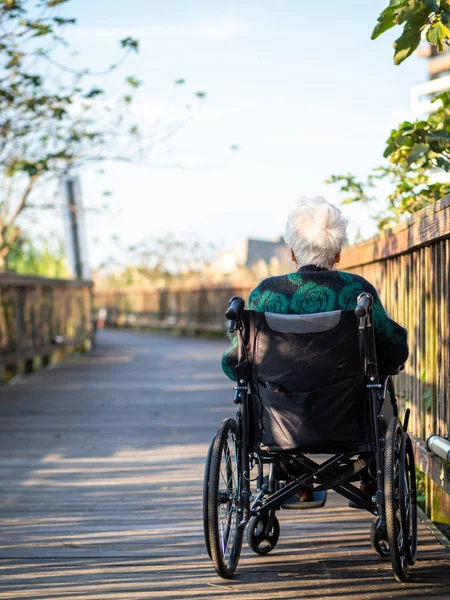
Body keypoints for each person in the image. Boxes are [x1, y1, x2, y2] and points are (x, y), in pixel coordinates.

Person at [222, 196, 409, 503]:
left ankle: (297, 480)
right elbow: (394, 350)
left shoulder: (265, 295)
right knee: (381, 383)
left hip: (279, 424)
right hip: (349, 420)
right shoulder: (356, 291)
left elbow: (233, 363)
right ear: (337, 253)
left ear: (292, 252)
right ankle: (371, 478)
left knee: (269, 390)